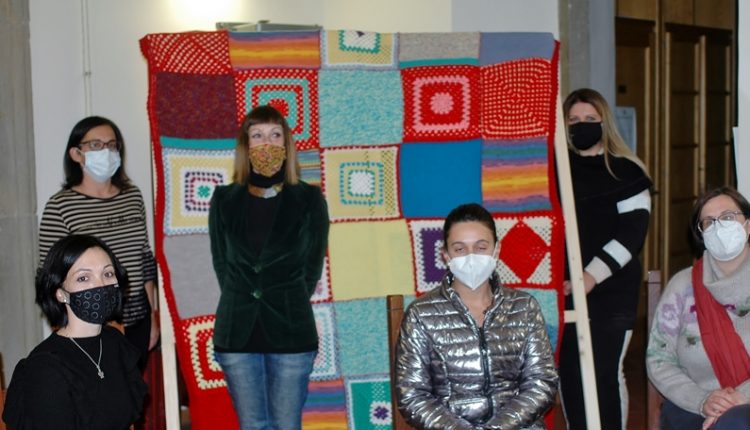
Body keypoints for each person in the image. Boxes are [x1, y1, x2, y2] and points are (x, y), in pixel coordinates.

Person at [208, 105, 329, 430]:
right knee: (253, 426)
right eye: (257, 135)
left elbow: (311, 267)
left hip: (292, 334)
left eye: (275, 135)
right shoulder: (224, 199)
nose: (266, 143)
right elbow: (222, 263)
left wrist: (285, 298)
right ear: (245, 145)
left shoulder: (309, 199)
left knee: (286, 426)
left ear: (286, 144)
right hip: (236, 335)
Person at [395, 203, 558, 430]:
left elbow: (542, 383)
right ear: (445, 255)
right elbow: (412, 395)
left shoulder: (524, 307)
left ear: (496, 250)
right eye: (459, 249)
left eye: (481, 247)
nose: (471, 257)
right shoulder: (420, 314)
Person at [558, 88, 653, 429]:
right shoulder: (556, 170)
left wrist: (591, 276)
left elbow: (631, 234)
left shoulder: (627, 173)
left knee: (602, 374)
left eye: (589, 119)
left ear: (604, 123)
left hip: (612, 290)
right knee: (569, 372)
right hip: (566, 289)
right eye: (573, 120)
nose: (581, 125)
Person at [38, 116, 159, 366]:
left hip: (137, 317)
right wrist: (62, 325)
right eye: (96, 145)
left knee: (130, 386)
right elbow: (49, 274)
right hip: (89, 319)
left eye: (112, 145)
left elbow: (144, 258)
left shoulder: (132, 196)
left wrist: (153, 314)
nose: (106, 151)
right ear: (76, 153)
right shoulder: (60, 205)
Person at [2, 234, 147, 429]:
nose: (101, 285)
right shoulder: (45, 369)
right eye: (84, 278)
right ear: (60, 293)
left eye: (108, 274)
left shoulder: (115, 342)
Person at [647, 186, 750, 430]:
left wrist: (741, 397)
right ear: (701, 235)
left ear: (747, 225)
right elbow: (659, 359)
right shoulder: (682, 287)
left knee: (735, 422)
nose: (719, 227)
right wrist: (703, 401)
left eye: (728, 217)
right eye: (709, 222)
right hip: (693, 405)